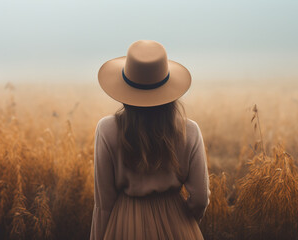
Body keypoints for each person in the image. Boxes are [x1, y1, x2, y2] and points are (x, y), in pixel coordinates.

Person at [90, 40, 211, 240]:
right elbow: (200, 199)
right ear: (168, 87)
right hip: (178, 225)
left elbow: (103, 203)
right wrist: (183, 222)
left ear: (124, 88)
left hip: (124, 226)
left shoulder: (106, 129)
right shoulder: (189, 130)